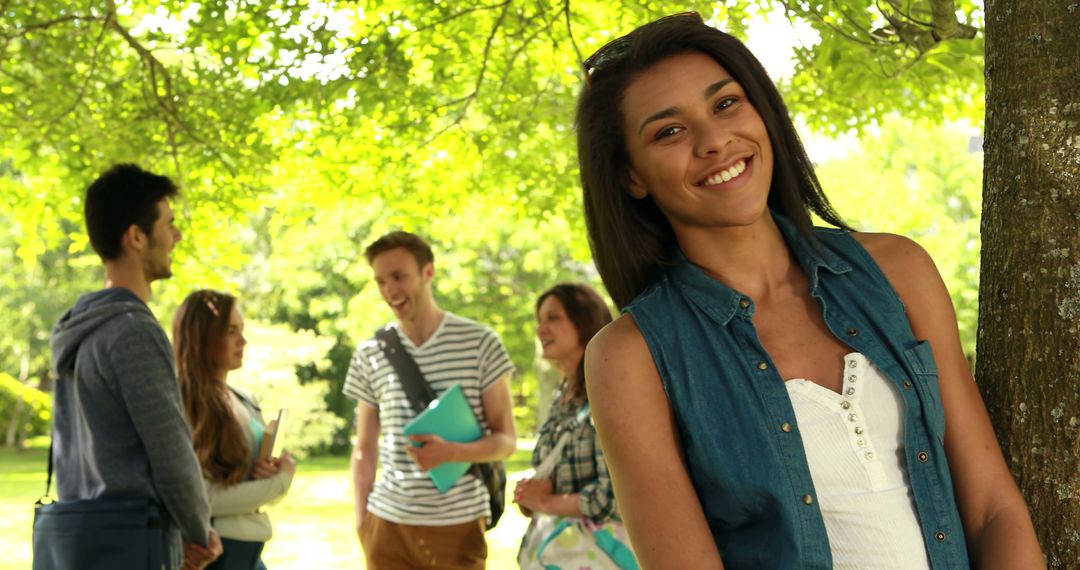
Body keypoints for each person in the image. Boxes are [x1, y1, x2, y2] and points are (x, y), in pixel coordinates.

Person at [577, 13, 1045, 570]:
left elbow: (994, 509)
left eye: (726, 104)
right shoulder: (630, 357)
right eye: (669, 131)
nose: (714, 140)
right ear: (631, 176)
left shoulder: (898, 269)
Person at [49, 164, 222, 569]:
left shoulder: (78, 328)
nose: (177, 236)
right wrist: (200, 533)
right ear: (137, 237)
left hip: (83, 540)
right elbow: (171, 451)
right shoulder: (133, 331)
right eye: (169, 224)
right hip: (132, 541)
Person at [344, 230, 517, 569]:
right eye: (380, 281)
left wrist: (453, 452)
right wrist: (363, 522)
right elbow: (365, 448)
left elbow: (507, 441)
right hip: (386, 525)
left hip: (457, 526)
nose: (390, 291)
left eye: (398, 277)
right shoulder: (370, 354)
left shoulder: (480, 343)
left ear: (428, 272)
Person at [173, 290, 297, 570]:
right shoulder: (185, 404)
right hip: (217, 554)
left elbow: (253, 484)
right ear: (203, 337)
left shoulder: (243, 399)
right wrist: (281, 481)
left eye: (242, 330)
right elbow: (203, 499)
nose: (243, 341)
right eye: (231, 331)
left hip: (252, 550)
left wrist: (272, 472)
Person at [514, 283, 616, 521]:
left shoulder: (606, 393)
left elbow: (612, 496)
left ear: (584, 322)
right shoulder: (562, 396)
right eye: (540, 320)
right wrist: (532, 495)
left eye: (553, 318)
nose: (541, 330)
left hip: (601, 554)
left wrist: (546, 502)